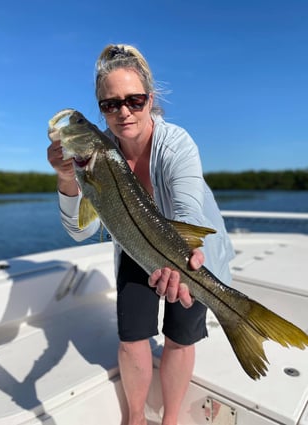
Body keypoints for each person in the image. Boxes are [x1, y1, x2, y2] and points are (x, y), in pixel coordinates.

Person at [47, 43, 235, 425]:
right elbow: (81, 232)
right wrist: (67, 177)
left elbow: (186, 211)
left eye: (134, 99)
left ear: (151, 98)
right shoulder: (95, 156)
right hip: (136, 250)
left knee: (181, 337)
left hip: (193, 254)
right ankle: (135, 418)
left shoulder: (177, 144)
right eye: (109, 104)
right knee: (132, 335)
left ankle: (170, 420)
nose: (123, 111)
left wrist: (186, 259)